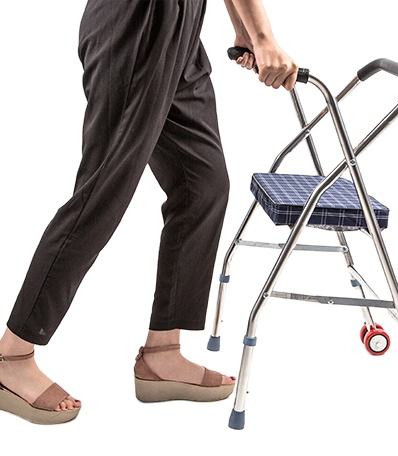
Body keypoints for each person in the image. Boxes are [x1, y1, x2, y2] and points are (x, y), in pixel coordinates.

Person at [0, 0, 298, 424]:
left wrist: (243, 29)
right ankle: (12, 355)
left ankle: (162, 352)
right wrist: (263, 38)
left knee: (203, 185)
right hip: (137, 23)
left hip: (179, 28)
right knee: (102, 193)